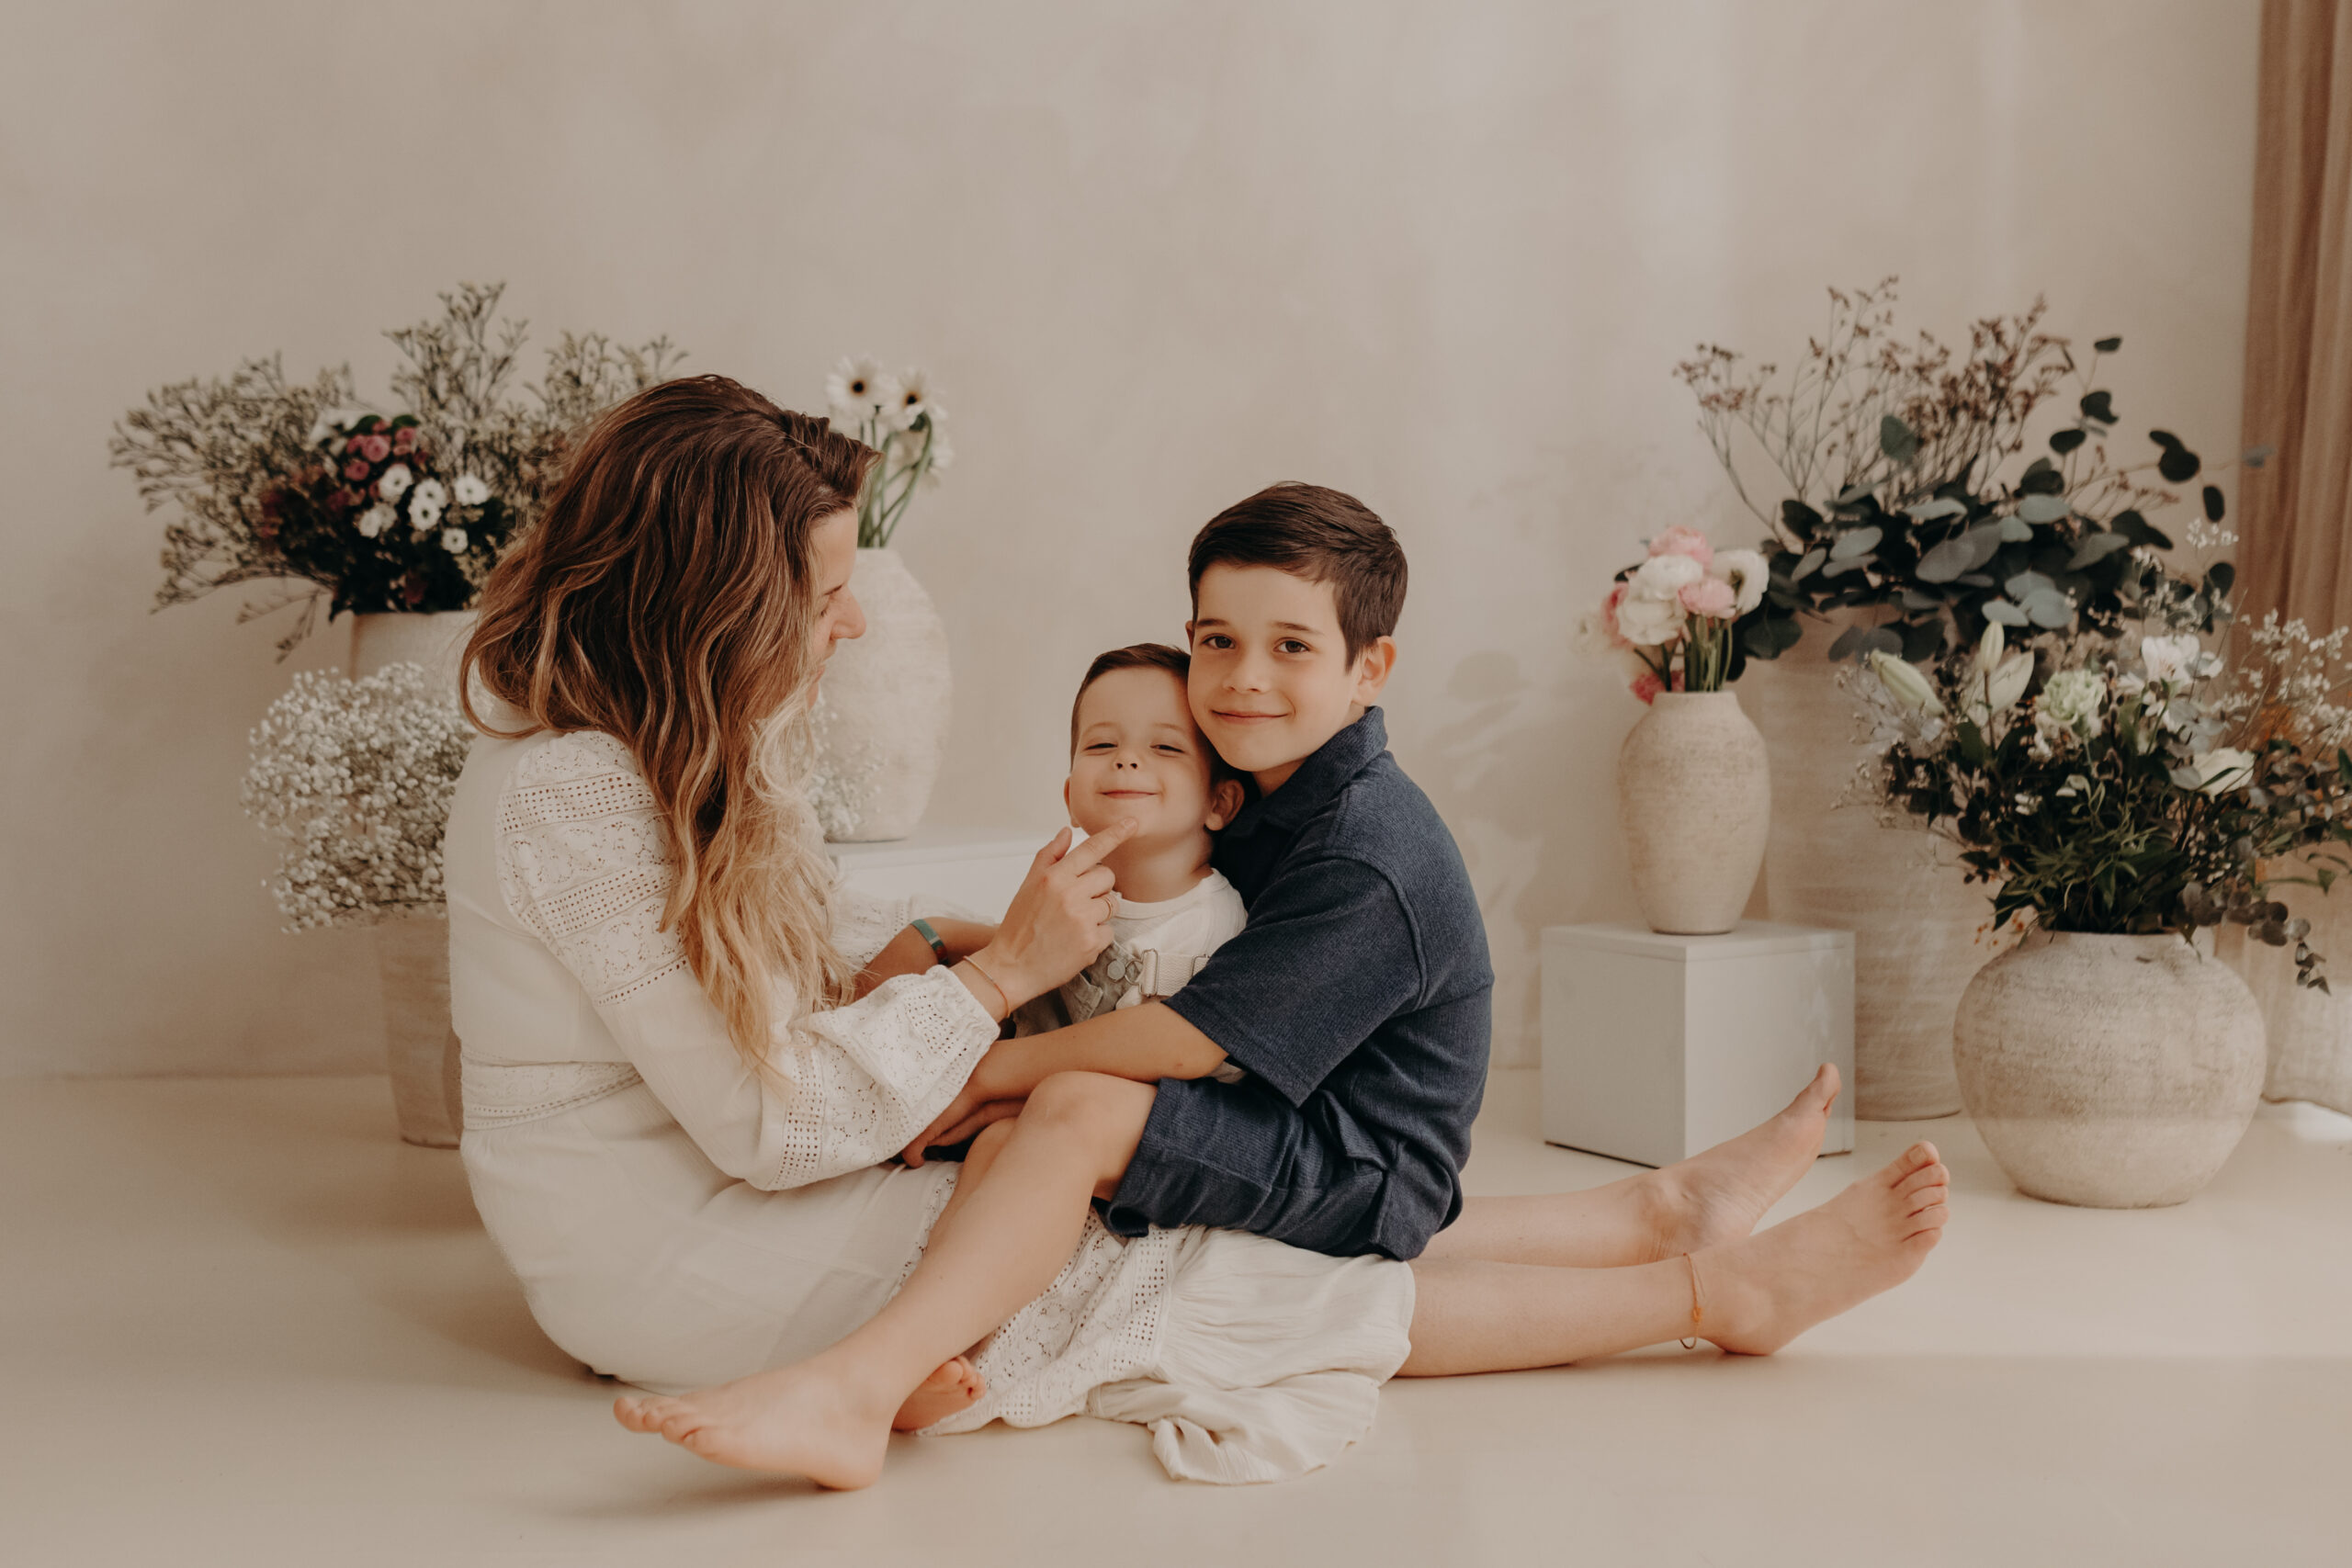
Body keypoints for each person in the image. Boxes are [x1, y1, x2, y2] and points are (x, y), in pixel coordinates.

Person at [571, 400, 1952, 1487]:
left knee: (1075, 1113)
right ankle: (1656, 1217)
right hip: (1294, 1104)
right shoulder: (1255, 783)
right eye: (1218, 641)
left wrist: (982, 1069)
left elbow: (1187, 1035)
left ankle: (859, 1384)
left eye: (1293, 649)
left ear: (1370, 671)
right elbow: (1154, 941)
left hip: (1358, 1154)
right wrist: (970, 949)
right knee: (1057, 1114)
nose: (1242, 679)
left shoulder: (1368, 853)